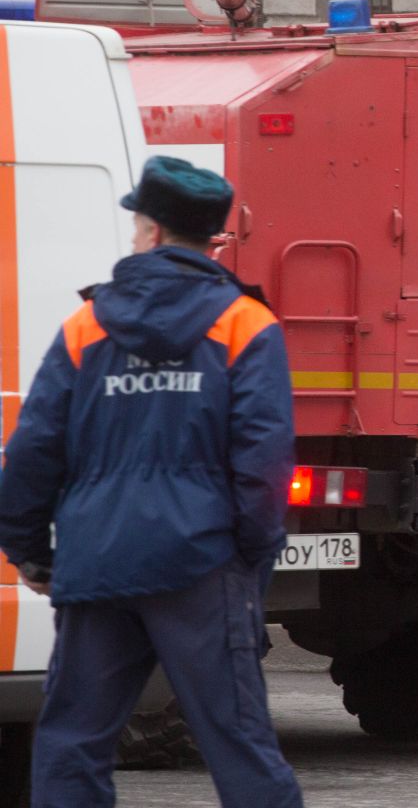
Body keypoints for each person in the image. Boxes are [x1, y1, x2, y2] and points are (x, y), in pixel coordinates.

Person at [0, 156, 303, 808]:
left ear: (156, 234)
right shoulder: (247, 325)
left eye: (138, 226)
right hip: (201, 561)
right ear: (210, 240)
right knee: (239, 742)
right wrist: (250, 554)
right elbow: (263, 460)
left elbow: (32, 449)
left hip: (98, 560)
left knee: (73, 743)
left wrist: (29, 549)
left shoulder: (87, 325)